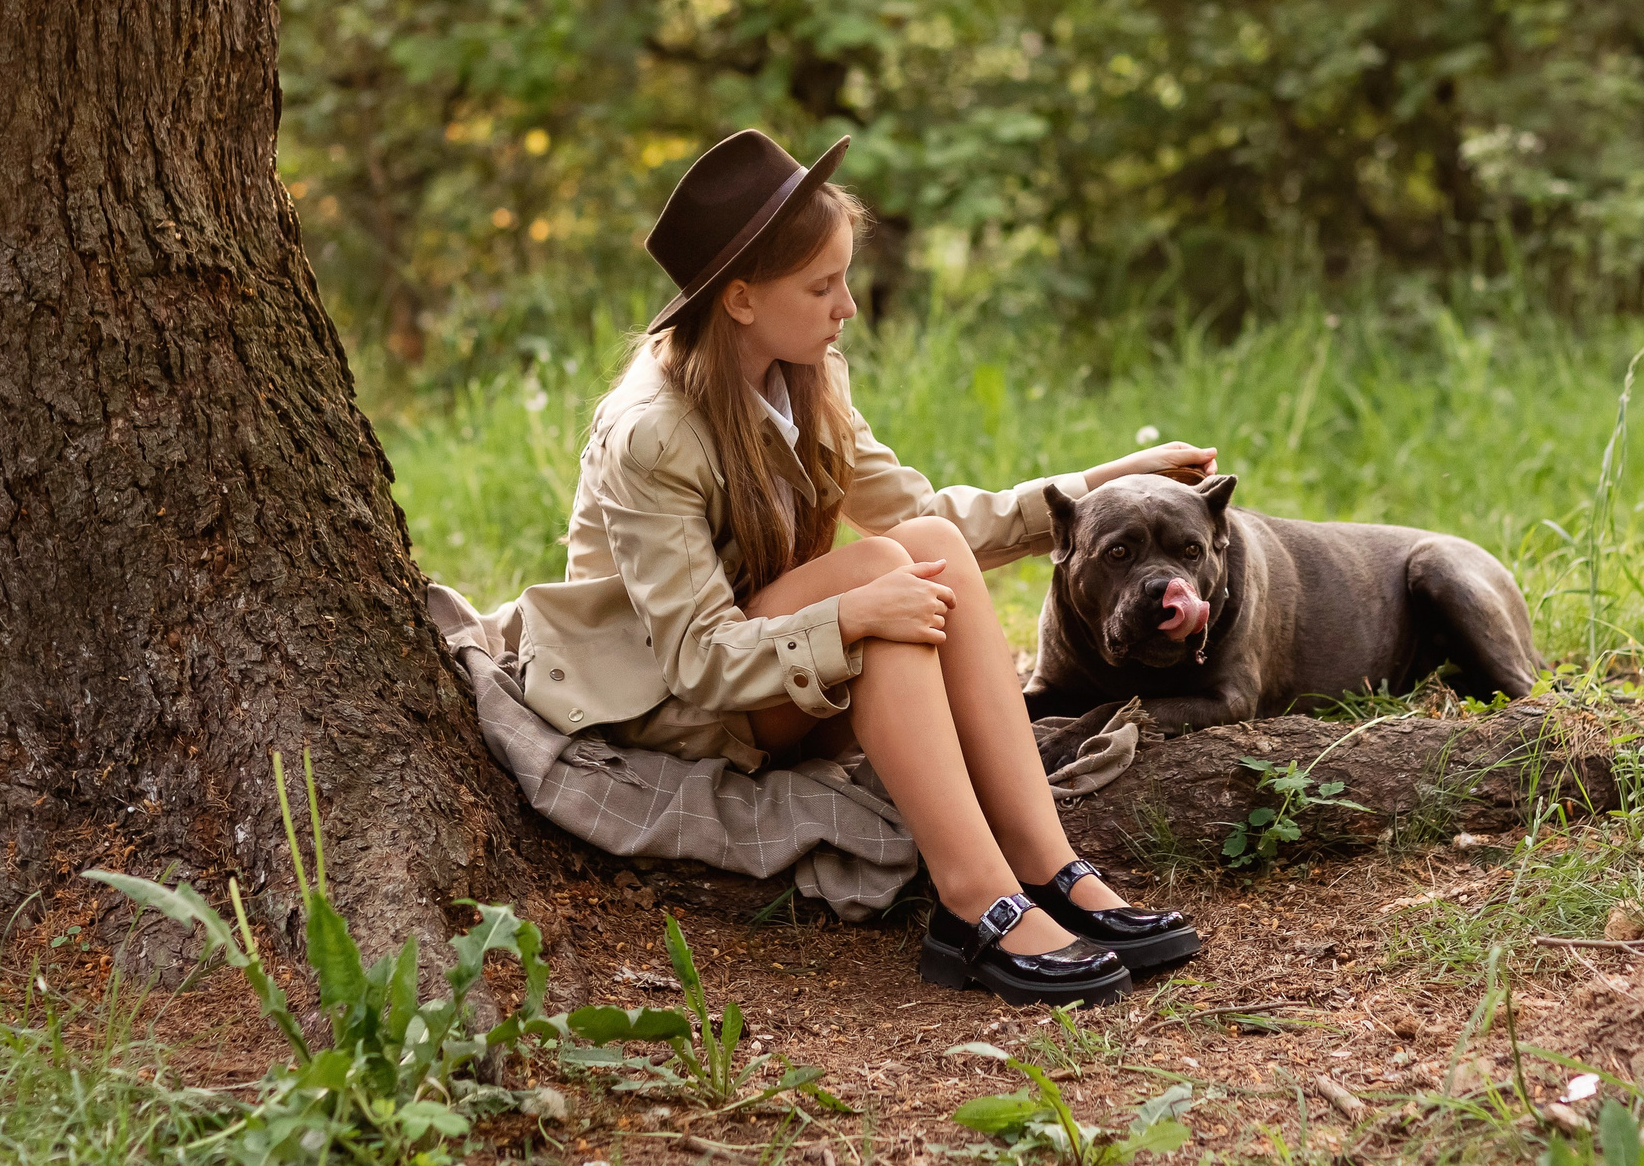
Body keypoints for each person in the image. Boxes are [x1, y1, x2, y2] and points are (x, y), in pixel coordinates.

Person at [512, 130, 1214, 1005]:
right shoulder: (652, 431)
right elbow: (696, 659)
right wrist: (851, 616)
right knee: (883, 579)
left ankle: (1046, 862)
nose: (847, 305)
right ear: (737, 299)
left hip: (767, 663)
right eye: (821, 286)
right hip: (678, 699)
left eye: (845, 276)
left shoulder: (808, 373)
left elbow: (926, 521)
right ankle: (973, 902)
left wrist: (1091, 489)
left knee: (921, 553)